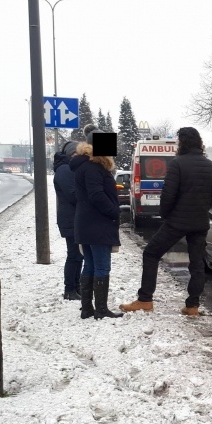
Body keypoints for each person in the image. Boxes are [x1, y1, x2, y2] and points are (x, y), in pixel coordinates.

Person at [120, 127, 212, 316]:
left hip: (177, 221)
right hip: (200, 222)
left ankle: (145, 299)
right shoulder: (209, 165)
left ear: (183, 143)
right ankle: (192, 306)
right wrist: (200, 208)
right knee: (197, 263)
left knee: (151, 253)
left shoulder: (177, 163)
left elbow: (168, 195)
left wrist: (166, 215)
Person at [70, 125, 124, 318]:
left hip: (86, 222)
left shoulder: (84, 165)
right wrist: (114, 211)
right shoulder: (94, 167)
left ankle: (87, 309)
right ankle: (100, 309)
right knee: (102, 266)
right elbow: (96, 195)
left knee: (90, 265)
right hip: (98, 224)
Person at [53, 140, 83, 300]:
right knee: (74, 255)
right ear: (72, 154)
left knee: (79, 255)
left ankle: (76, 287)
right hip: (70, 218)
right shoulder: (65, 169)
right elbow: (72, 195)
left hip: (73, 217)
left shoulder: (68, 168)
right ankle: (70, 289)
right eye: (78, 153)